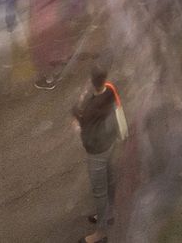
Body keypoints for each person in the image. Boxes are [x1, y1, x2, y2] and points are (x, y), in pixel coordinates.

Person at [72, 66, 126, 243]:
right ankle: (110, 212)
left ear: (92, 81)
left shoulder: (90, 107)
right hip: (109, 143)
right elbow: (117, 109)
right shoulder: (111, 88)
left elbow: (81, 124)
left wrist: (75, 112)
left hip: (96, 150)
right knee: (110, 179)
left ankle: (101, 233)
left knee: (99, 191)